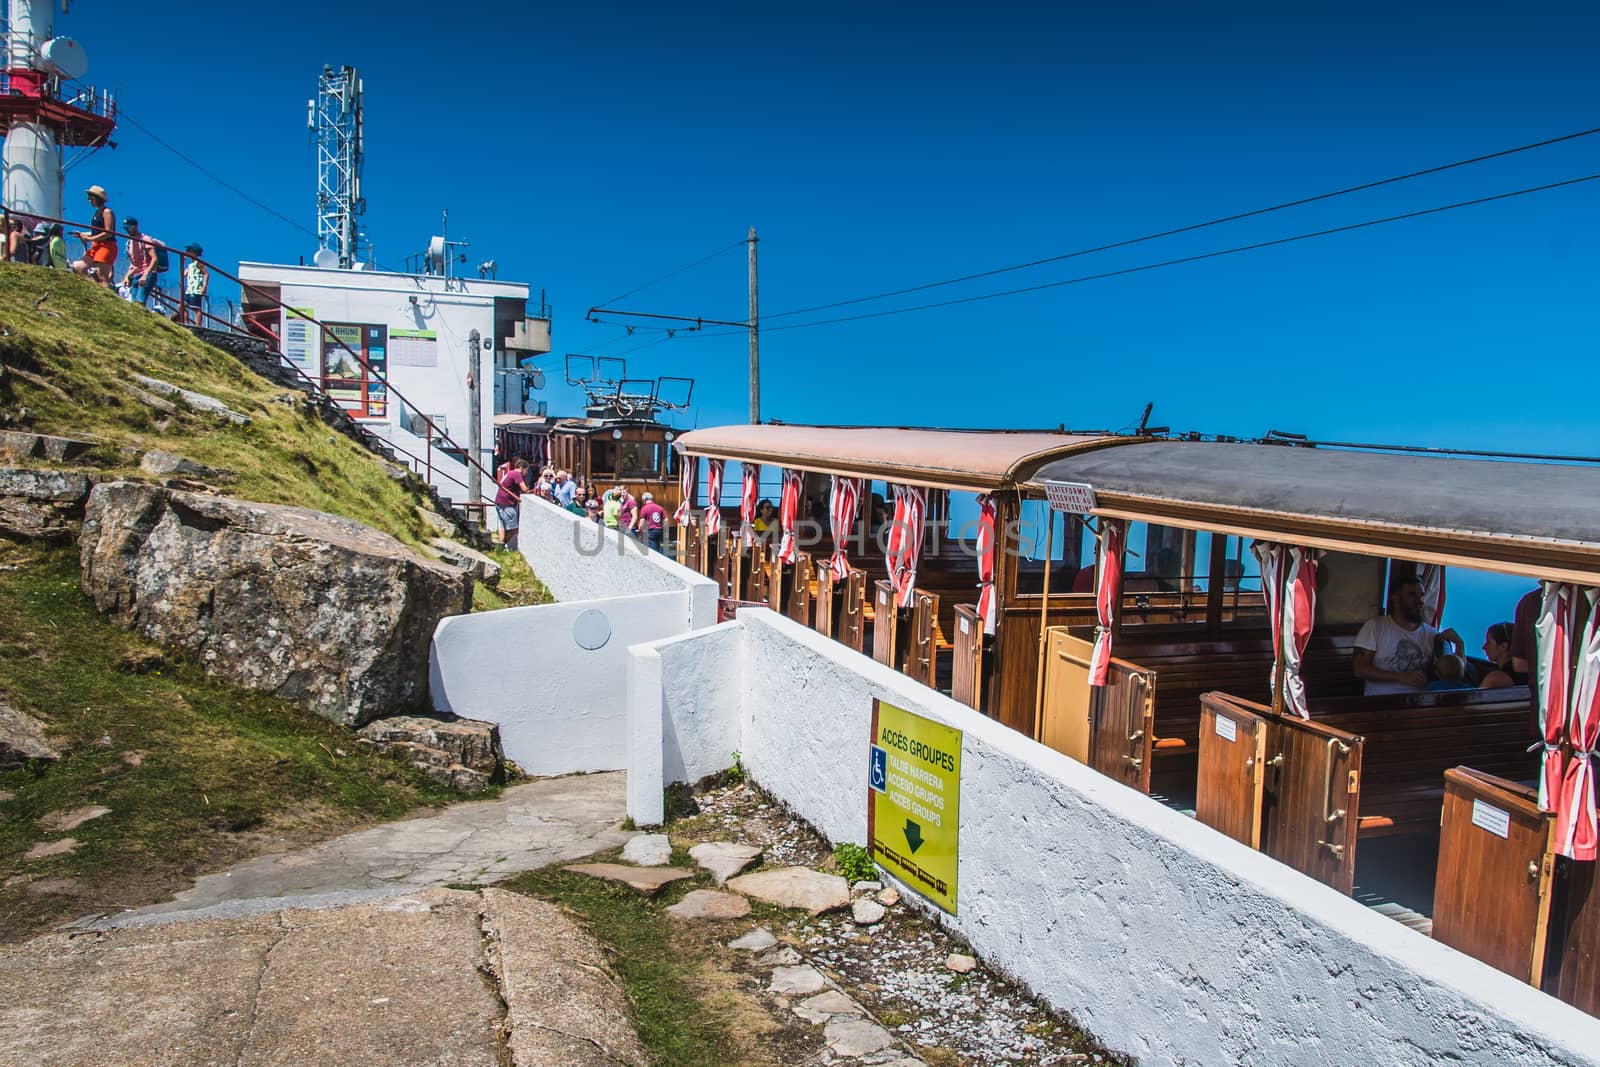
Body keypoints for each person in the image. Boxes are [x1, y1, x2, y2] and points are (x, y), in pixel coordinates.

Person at [1353, 575, 1464, 696]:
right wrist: (1399, 677)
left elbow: (1454, 674)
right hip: (1382, 705)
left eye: (1421, 595)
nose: (1420, 601)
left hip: (1422, 706)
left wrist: (1460, 645)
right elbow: (1359, 669)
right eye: (1412, 594)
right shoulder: (1375, 627)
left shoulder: (1433, 635)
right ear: (1395, 598)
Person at [73, 185, 118, 287]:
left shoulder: (107, 212)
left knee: (102, 277)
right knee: (78, 267)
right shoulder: (96, 212)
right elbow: (95, 232)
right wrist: (82, 234)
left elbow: (109, 232)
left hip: (107, 246)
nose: (89, 201)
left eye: (91, 198)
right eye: (88, 198)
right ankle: (94, 289)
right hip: (96, 246)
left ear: (98, 199)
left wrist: (89, 239)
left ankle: (103, 297)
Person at [119, 218, 165, 307]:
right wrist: (127, 276)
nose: (127, 230)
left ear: (135, 227)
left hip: (148, 274)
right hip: (136, 275)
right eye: (125, 228)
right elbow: (134, 263)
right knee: (132, 302)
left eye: (129, 228)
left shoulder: (145, 239)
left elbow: (154, 259)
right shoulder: (129, 243)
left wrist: (145, 275)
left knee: (140, 301)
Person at [494, 458, 532, 550]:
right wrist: (531, 490)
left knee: (503, 526)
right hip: (507, 503)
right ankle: (500, 546)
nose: (526, 473)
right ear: (522, 468)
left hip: (499, 502)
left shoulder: (509, 473)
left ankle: (499, 548)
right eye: (526, 470)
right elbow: (524, 489)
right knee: (514, 528)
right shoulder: (516, 474)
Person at [1478, 621, 1527, 689]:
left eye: (1489, 642)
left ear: (1503, 646)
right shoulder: (1528, 675)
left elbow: (1477, 697)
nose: (1484, 647)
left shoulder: (1495, 679)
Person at [181, 243, 208, 322]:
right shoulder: (190, 265)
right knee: (181, 306)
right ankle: (186, 323)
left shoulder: (199, 262)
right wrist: (182, 262)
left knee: (196, 308)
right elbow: (183, 274)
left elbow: (206, 274)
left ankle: (198, 326)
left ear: (193, 252)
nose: (186, 252)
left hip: (196, 289)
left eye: (188, 251)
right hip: (189, 289)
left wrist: (204, 286)